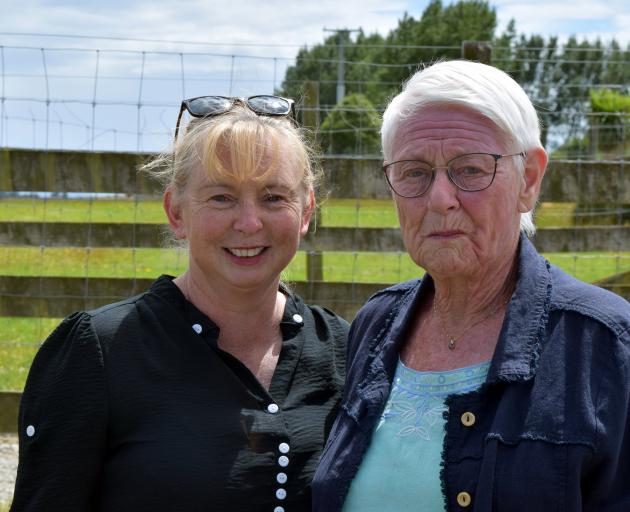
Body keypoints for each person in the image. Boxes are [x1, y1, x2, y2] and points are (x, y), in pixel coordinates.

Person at [312, 60, 630, 511]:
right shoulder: (375, 324)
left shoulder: (603, 346)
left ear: (530, 179)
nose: (440, 199)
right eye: (414, 172)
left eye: (471, 169)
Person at [11, 95, 348, 511]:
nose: (248, 222)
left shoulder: (345, 350)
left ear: (306, 211)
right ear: (176, 211)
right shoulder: (98, 352)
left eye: (274, 197)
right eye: (221, 197)